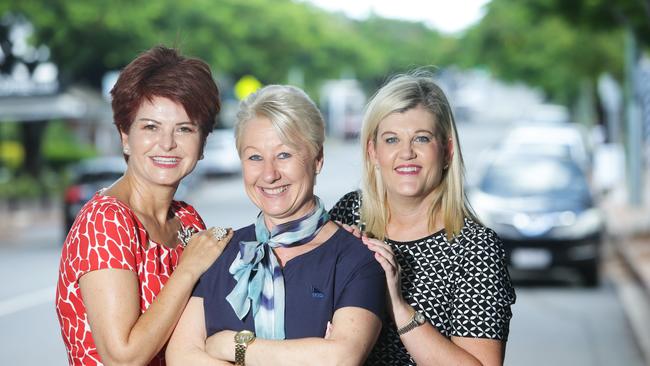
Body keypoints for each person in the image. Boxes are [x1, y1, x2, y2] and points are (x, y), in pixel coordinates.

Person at [166, 85, 385, 365]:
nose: (269, 174)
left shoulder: (357, 259)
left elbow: (340, 358)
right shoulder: (217, 252)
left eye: (284, 155)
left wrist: (232, 345)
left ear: (317, 159)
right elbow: (181, 358)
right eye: (255, 157)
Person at [55, 46, 234, 366]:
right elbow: (123, 357)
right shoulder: (106, 222)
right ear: (125, 136)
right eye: (150, 127)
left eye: (184, 129)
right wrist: (188, 268)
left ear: (202, 142)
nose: (167, 143)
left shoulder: (186, 218)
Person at [330, 72, 516, 366]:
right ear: (373, 151)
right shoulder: (349, 213)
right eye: (391, 139)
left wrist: (397, 305)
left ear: (447, 151)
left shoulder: (476, 248)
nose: (406, 153)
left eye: (421, 138)